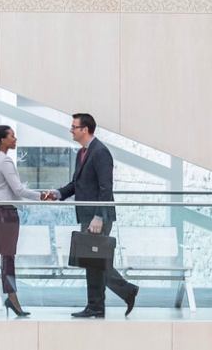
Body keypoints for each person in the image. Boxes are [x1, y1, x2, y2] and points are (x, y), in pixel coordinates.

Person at [54, 112, 140, 319]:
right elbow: (77, 184)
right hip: (87, 215)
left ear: (85, 129)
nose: (71, 130)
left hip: (97, 217)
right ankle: (96, 306)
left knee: (97, 262)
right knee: (93, 263)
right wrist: (57, 194)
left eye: (74, 127)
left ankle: (124, 292)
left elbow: (105, 188)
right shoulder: (82, 153)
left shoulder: (100, 152)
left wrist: (99, 217)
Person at [0, 124, 41, 317]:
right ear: (2, 139)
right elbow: (18, 190)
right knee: (8, 256)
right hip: (6, 212)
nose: (15, 138)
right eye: (12, 136)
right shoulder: (5, 161)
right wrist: (42, 195)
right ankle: (12, 299)